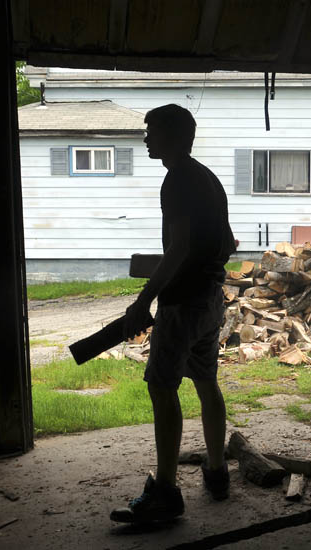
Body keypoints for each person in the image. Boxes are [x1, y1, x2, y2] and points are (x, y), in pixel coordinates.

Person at [110, 104, 236, 524]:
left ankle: (165, 490)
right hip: (210, 298)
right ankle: (217, 473)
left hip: (184, 304)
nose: (146, 138)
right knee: (205, 382)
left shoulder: (178, 179)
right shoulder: (206, 177)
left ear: (175, 135)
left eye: (152, 131)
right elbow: (229, 241)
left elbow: (179, 248)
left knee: (162, 388)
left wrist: (143, 300)